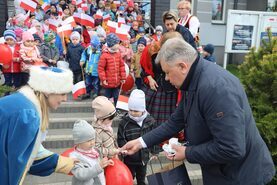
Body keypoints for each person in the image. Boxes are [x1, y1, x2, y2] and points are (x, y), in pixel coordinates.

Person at [122, 38, 275, 185]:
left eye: (168, 72)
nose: (166, 78)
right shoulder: (193, 79)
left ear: (182, 66)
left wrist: (188, 153)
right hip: (223, 172)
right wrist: (140, 142)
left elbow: (232, 148)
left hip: (240, 176)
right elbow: (176, 121)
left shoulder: (216, 89)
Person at [0, 66, 76, 184]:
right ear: (47, 91)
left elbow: (29, 152)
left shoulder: (24, 105)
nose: (66, 99)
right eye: (63, 93)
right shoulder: (28, 114)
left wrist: (66, 163)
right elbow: (17, 161)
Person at [117, 89, 160, 185]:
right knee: (128, 178)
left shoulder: (150, 121)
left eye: (136, 111)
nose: (132, 113)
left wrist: (155, 151)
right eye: (130, 110)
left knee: (141, 179)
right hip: (129, 158)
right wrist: (123, 149)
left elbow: (154, 137)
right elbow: (120, 137)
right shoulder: (124, 122)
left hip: (143, 159)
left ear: (142, 109)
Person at [70, 120, 114, 185]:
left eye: (93, 139)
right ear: (78, 142)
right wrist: (99, 166)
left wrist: (105, 163)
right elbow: (81, 174)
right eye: (88, 141)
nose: (92, 143)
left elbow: (98, 164)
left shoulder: (94, 151)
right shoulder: (74, 157)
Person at [98, 33, 126, 105]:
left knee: (116, 96)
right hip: (108, 82)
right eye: (116, 43)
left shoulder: (118, 54)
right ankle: (107, 108)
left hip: (116, 82)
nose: (118, 45)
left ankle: (117, 108)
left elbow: (121, 66)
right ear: (111, 45)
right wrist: (103, 79)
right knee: (107, 96)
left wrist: (123, 77)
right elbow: (101, 69)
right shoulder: (104, 55)